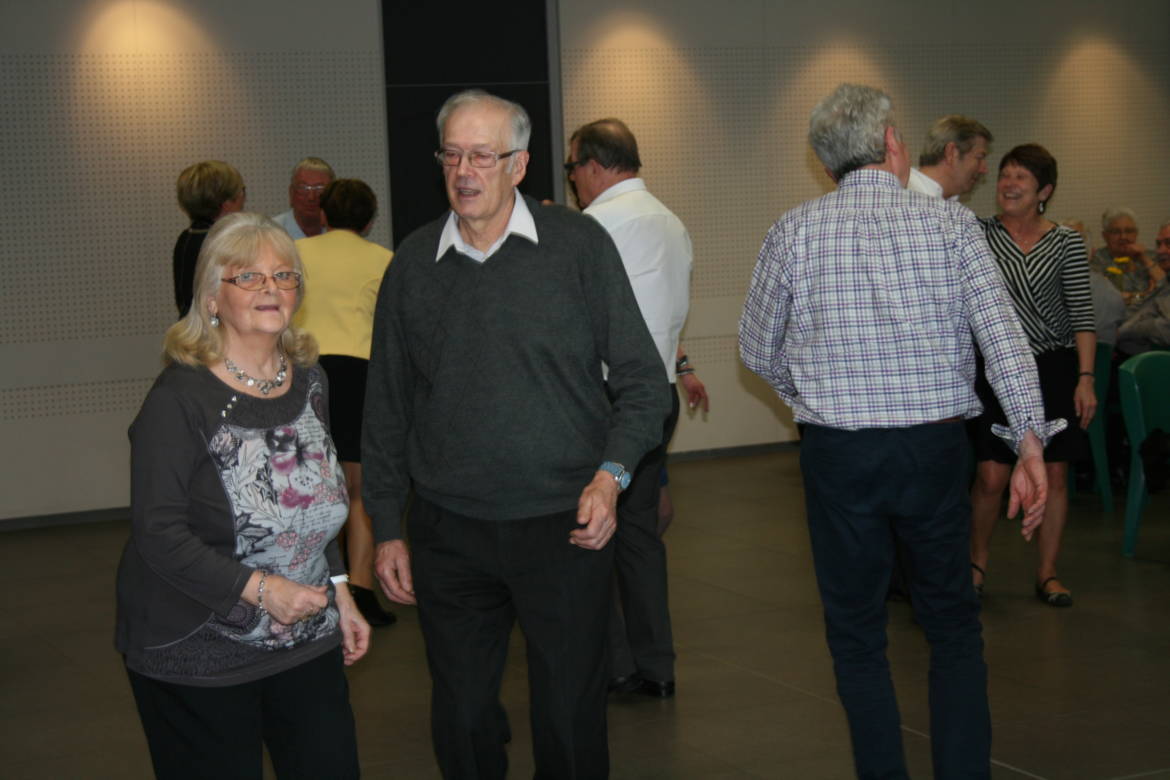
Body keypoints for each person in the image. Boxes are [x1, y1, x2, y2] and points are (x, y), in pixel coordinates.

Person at [740, 83, 1060, 779]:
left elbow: (756, 348)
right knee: (952, 626)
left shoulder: (793, 231)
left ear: (826, 161)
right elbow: (1004, 341)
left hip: (839, 452)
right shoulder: (952, 227)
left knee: (857, 635)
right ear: (891, 144)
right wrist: (1030, 440)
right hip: (933, 449)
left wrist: (808, 395)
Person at [363, 89, 669, 779]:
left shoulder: (578, 246)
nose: (463, 171)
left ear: (520, 165)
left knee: (569, 717)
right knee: (463, 718)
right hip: (449, 531)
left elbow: (643, 383)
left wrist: (612, 477)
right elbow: (386, 409)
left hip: (564, 526)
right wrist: (385, 526)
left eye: (482, 156)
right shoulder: (412, 264)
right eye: (451, 155)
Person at [115, 212, 370, 779]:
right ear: (212, 297)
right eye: (248, 277)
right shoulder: (179, 399)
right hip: (196, 646)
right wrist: (261, 589)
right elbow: (158, 533)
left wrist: (341, 592)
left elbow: (311, 503)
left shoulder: (311, 380)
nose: (270, 288)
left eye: (284, 275)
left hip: (303, 634)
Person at [565, 117, 699, 698]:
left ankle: (613, 665)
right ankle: (657, 665)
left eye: (572, 168)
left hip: (603, 400)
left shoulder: (592, 228)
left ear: (594, 166)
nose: (572, 181)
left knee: (590, 532)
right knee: (640, 536)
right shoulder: (672, 223)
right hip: (656, 397)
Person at [969, 144, 1097, 608]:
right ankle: (975, 565)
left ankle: (1048, 572)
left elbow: (1082, 315)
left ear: (1044, 190)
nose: (1008, 184)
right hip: (995, 367)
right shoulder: (978, 234)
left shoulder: (1066, 241)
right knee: (991, 474)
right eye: (1005, 174)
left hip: (1053, 368)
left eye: (1021, 177)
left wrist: (1086, 378)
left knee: (1055, 474)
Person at [294, 179, 396, 627]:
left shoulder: (296, 253)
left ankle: (316, 588)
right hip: (359, 373)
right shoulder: (384, 260)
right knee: (358, 490)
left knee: (310, 486)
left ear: (323, 214)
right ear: (370, 220)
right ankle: (362, 591)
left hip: (305, 372)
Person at [173, 160, 246, 317]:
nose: (243, 199)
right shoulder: (226, 244)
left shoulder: (186, 238)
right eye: (241, 192)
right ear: (226, 203)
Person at [1088, 207, 1164, 307]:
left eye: (1129, 231)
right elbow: (1104, 298)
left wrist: (1144, 258)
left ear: (1136, 233)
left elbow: (1165, 288)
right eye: (1116, 232)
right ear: (1105, 236)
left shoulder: (1150, 256)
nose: (1123, 237)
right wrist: (1145, 295)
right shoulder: (1096, 260)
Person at [907, 114, 993, 200]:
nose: (984, 170)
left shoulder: (944, 201)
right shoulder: (908, 198)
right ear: (951, 153)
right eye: (979, 157)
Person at [273, 157, 335, 240]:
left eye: (319, 189)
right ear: (291, 193)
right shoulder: (271, 232)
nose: (311, 197)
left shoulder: (341, 233)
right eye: (303, 188)